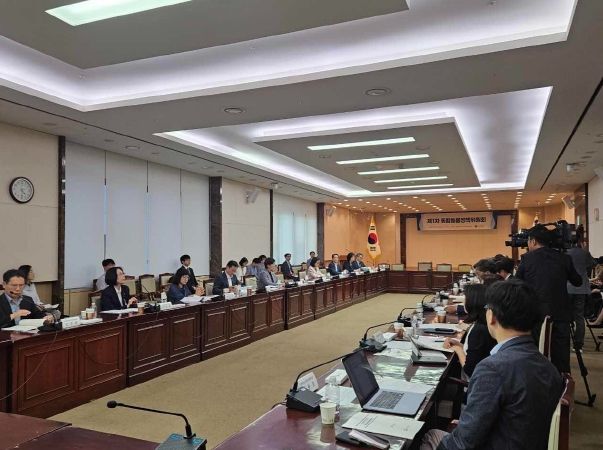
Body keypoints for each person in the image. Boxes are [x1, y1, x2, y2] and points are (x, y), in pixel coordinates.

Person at [420, 280, 564, 450]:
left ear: (491, 316)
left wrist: (462, 431)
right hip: (521, 440)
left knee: (431, 436)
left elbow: (462, 444)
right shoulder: (549, 367)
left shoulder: (493, 369)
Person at [516, 224, 581, 372]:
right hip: (561, 314)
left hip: (536, 315)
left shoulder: (527, 259)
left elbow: (516, 284)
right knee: (561, 356)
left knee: (537, 354)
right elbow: (577, 281)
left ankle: (539, 383)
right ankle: (563, 383)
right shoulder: (564, 258)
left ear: (533, 241)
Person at [443, 284, 497, 379]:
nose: (463, 303)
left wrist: (458, 349)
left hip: (471, 383)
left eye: (465, 300)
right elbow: (476, 352)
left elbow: (470, 370)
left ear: (473, 303)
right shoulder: (480, 323)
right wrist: (458, 344)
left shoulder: (479, 330)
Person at [566, 236, 594, 350]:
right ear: (579, 242)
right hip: (581, 288)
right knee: (579, 317)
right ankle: (578, 345)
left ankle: (565, 342)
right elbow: (592, 264)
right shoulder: (584, 253)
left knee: (565, 315)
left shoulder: (566, 253)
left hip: (567, 288)